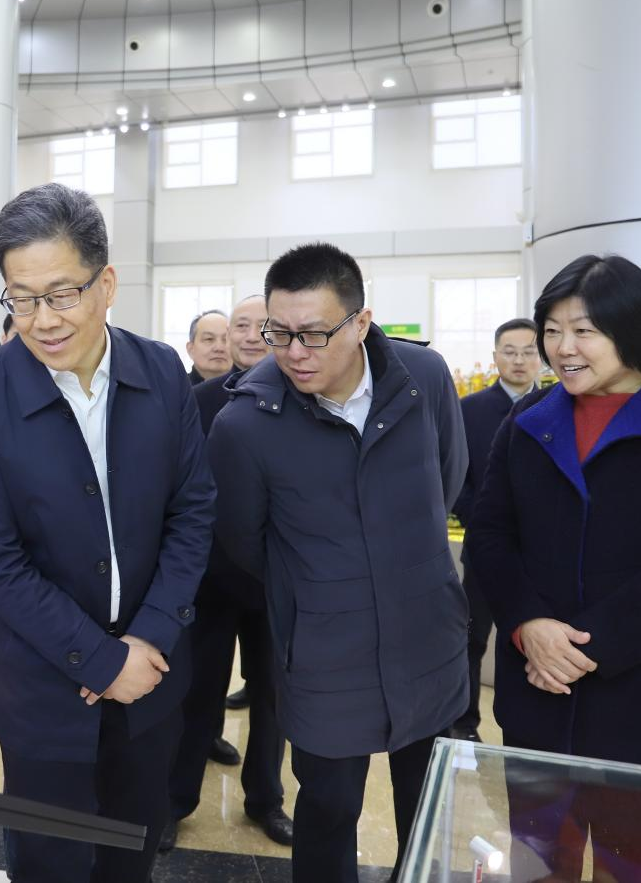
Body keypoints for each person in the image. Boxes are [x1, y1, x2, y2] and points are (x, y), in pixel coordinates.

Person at [0, 182, 214, 883]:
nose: (43, 320)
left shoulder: (160, 372)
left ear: (107, 284)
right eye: (22, 298)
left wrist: (148, 638)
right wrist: (100, 661)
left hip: (152, 680)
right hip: (41, 694)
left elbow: (192, 511)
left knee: (129, 855)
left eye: (62, 294)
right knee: (48, 863)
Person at [466, 254, 641, 883]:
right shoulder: (528, 419)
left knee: (636, 868)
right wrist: (528, 625)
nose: (562, 349)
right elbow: (490, 533)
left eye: (584, 331)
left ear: (634, 329)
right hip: (540, 695)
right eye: (552, 330)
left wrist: (580, 647)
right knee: (538, 863)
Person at [208, 242, 468, 883]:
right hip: (324, 652)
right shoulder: (245, 424)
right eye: (279, 333)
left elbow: (447, 475)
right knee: (328, 810)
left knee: (427, 812)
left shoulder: (423, 377)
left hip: (427, 638)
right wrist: (321, 588)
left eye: (315, 334)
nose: (295, 352)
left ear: (361, 322)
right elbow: (245, 541)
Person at [164, 293, 291, 852]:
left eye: (263, 325)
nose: (248, 335)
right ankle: (175, 802)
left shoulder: (302, 396)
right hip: (208, 579)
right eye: (240, 325)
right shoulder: (197, 401)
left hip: (276, 580)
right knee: (196, 694)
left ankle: (265, 799)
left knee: (273, 698)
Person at [448, 317, 538, 742]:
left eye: (528, 352)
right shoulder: (468, 410)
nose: (519, 360)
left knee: (534, 638)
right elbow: (455, 477)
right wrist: (485, 523)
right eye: (510, 351)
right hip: (485, 549)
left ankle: (529, 728)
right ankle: (464, 724)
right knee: (472, 639)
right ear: (495, 356)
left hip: (542, 553)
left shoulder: (557, 405)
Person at [186, 309, 231, 383]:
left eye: (226, 339)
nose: (219, 348)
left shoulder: (247, 387)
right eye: (209, 339)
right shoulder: (177, 388)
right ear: (191, 349)